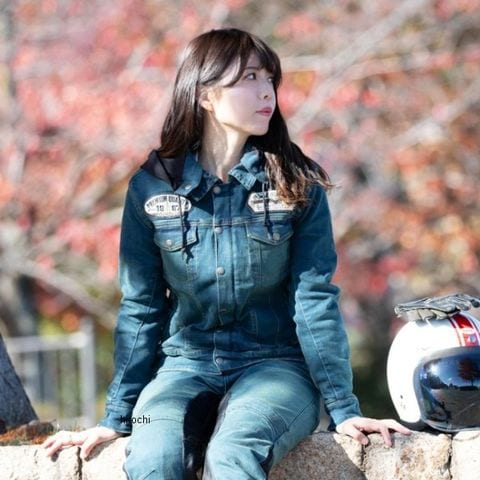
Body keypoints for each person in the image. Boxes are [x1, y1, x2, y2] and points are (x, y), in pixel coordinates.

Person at [43, 28, 410, 479]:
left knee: (232, 453)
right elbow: (140, 307)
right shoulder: (151, 187)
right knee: (152, 454)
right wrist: (116, 416)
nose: (266, 91)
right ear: (205, 95)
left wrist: (343, 408)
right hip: (178, 371)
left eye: (269, 78)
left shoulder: (296, 185)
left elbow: (314, 300)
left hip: (277, 370)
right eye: (249, 77)